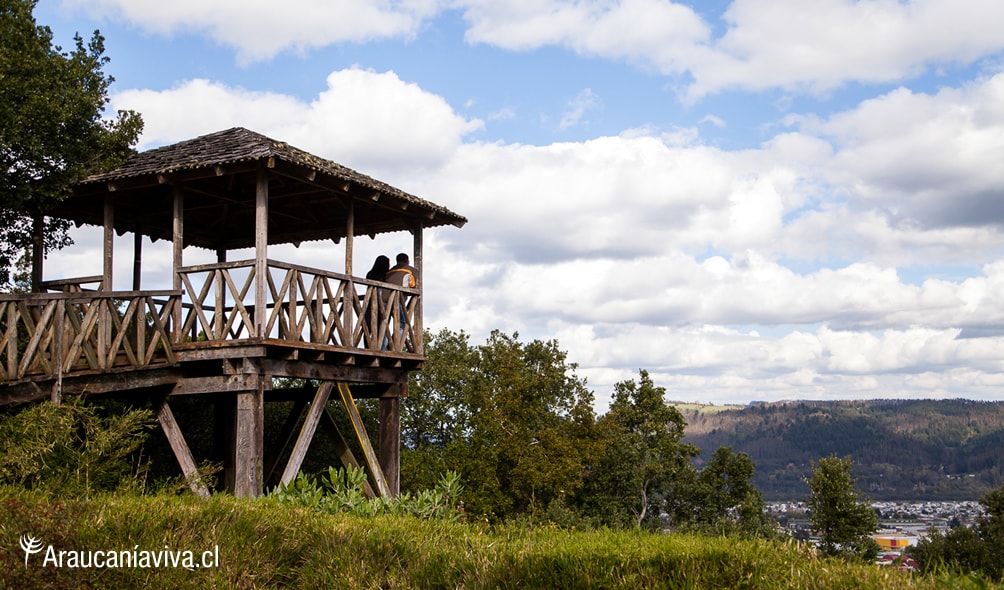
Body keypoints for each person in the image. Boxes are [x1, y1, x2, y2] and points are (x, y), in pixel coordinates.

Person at [383, 253, 417, 349]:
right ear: (407, 261)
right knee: (403, 324)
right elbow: (413, 285)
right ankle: (393, 347)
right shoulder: (411, 270)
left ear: (397, 261)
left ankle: (383, 348)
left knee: (384, 324)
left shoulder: (390, 271)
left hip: (383, 299)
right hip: (397, 300)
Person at [364, 255, 390, 348]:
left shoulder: (370, 274)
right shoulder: (386, 276)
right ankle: (380, 348)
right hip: (381, 303)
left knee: (367, 328)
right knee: (381, 327)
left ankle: (367, 347)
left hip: (370, 302)